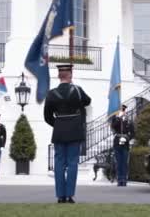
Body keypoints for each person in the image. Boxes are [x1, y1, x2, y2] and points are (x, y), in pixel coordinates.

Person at [44, 64, 91, 204]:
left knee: (59, 164)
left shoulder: (51, 94)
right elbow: (88, 101)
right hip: (74, 131)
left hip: (59, 132)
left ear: (59, 76)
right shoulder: (77, 90)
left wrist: (59, 125)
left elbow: (47, 117)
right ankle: (70, 195)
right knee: (72, 163)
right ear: (70, 76)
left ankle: (60, 196)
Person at [111, 104, 135, 187]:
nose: (122, 112)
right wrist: (118, 118)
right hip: (117, 142)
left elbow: (133, 133)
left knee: (124, 162)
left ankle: (124, 179)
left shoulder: (129, 121)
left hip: (125, 143)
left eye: (123, 110)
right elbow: (113, 126)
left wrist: (127, 137)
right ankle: (119, 179)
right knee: (118, 162)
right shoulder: (115, 119)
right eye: (121, 110)